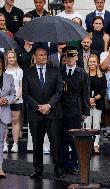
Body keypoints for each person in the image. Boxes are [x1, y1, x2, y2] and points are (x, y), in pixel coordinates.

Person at [23, 45, 64, 178]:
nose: (44, 57)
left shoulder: (55, 70)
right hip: (36, 114)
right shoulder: (27, 73)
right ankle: (38, 169)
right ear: (34, 57)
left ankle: (58, 169)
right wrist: (39, 107)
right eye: (41, 55)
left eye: (45, 54)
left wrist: (49, 105)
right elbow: (26, 94)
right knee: (37, 143)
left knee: (56, 142)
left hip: (53, 113)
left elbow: (59, 91)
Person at [60, 46, 90, 175]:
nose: (70, 59)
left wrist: (85, 111)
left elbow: (85, 93)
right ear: (65, 58)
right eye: (68, 56)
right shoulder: (59, 72)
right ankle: (65, 164)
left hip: (76, 109)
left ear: (77, 57)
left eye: (73, 56)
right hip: (62, 109)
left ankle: (74, 164)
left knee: (75, 139)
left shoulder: (82, 72)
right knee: (63, 139)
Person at [84, 54, 106, 154]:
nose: (92, 63)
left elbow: (103, 90)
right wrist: (89, 99)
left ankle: (95, 144)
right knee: (87, 124)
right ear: (88, 63)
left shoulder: (101, 75)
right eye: (91, 61)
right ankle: (88, 145)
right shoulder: (84, 75)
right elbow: (81, 89)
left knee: (96, 124)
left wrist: (95, 99)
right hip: (86, 103)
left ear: (97, 63)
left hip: (98, 103)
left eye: (94, 61)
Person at [3, 50, 23, 153]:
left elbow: (21, 87)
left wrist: (15, 98)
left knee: (15, 121)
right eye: (9, 57)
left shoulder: (19, 71)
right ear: (6, 58)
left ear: (15, 58)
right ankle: (4, 143)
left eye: (13, 57)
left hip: (17, 100)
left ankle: (15, 144)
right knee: (4, 122)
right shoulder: (4, 71)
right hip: (5, 100)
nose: (11, 59)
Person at [0, 55, 16, 178]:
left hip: (3, 113)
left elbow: (13, 94)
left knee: (0, 142)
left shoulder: (9, 77)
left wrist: (7, 99)